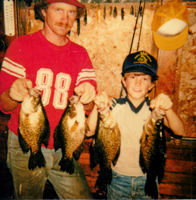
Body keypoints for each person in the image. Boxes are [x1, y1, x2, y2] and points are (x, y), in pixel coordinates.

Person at [0, 0, 97, 199]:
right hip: (25, 143)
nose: (65, 18)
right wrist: (12, 93)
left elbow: (87, 108)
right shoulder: (21, 46)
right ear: (44, 11)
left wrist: (88, 97)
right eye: (59, 10)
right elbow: (4, 105)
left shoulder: (80, 54)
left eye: (71, 12)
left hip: (65, 145)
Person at [87, 51, 184, 199]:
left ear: (152, 85)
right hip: (117, 179)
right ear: (124, 81)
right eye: (133, 77)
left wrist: (168, 108)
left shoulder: (155, 110)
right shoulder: (113, 107)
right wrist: (97, 106)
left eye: (145, 78)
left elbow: (179, 130)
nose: (138, 83)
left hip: (148, 178)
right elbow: (89, 131)